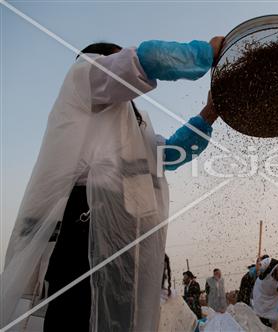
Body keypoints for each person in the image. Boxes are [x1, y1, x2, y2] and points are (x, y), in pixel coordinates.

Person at [0, 37, 224, 331]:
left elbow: (167, 155)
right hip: (87, 228)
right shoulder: (85, 79)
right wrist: (206, 53)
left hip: (127, 239)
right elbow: (144, 61)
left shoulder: (137, 121)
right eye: (116, 59)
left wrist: (209, 114)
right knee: (75, 314)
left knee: (119, 316)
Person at [252, 258, 278, 328]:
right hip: (260, 292)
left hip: (274, 298)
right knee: (260, 317)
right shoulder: (269, 262)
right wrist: (258, 268)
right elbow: (259, 266)